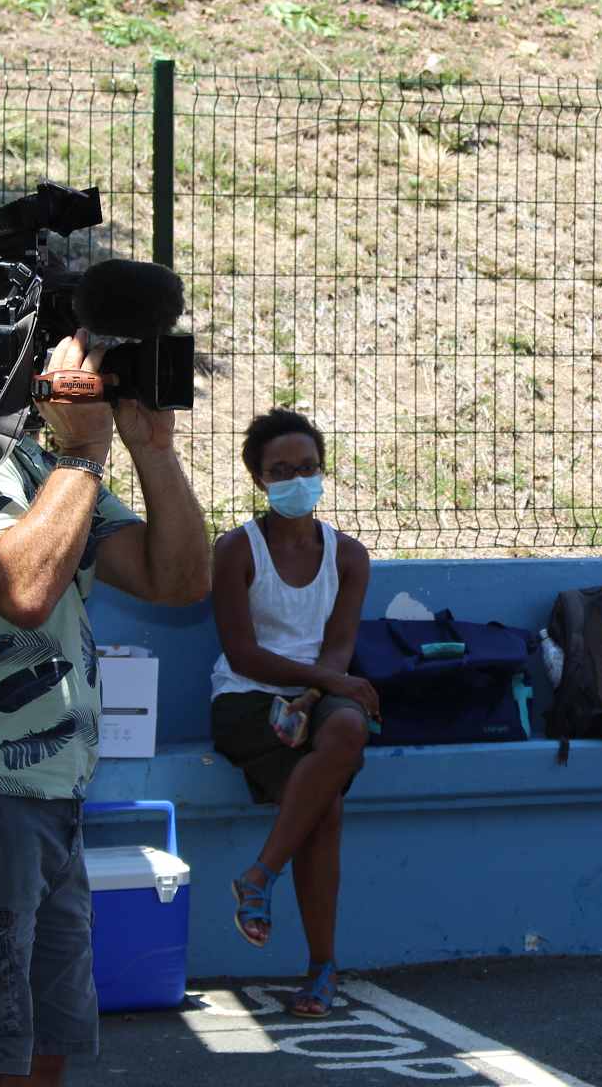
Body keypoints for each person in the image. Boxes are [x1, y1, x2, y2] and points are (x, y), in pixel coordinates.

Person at [0, 263, 209, 1087]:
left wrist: (151, 450)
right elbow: (22, 587)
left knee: (42, 1053)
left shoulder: (34, 465)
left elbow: (176, 580)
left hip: (44, 794)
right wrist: (84, 455)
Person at [209, 409, 375, 1019]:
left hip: (318, 693)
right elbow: (242, 652)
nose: (297, 480)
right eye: (281, 471)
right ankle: (322, 967)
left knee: (349, 725)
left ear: (323, 470)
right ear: (259, 479)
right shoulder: (236, 549)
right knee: (323, 807)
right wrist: (321, 684)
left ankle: (259, 876)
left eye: (307, 467)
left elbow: (339, 645)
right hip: (247, 696)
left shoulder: (349, 555)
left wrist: (317, 692)